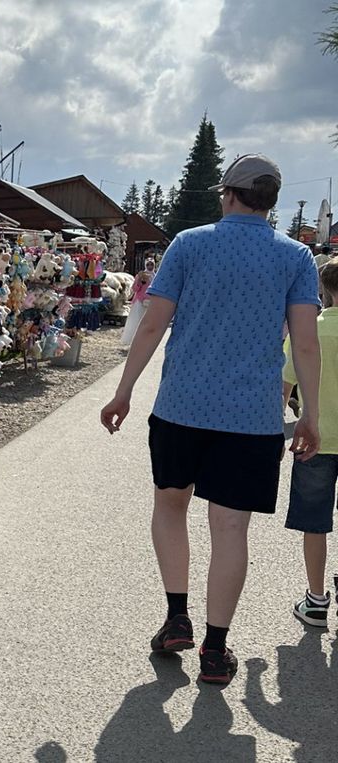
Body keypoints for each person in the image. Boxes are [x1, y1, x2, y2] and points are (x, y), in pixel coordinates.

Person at [100, 153, 322, 686]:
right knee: (230, 529)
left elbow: (153, 326)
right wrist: (310, 415)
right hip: (252, 419)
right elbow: (306, 345)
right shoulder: (295, 258)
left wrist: (124, 390)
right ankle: (216, 650)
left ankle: (177, 616)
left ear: (227, 194)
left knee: (170, 504)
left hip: (182, 408)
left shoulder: (189, 244)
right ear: (271, 200)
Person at [282, 261, 338, 628]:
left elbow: (283, 388)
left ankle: (316, 601)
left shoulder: (309, 331)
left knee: (315, 523)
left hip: (314, 437)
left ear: (325, 289)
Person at [120, 258, 156, 349]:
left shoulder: (156, 276)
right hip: (139, 301)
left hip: (150, 302)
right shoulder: (141, 275)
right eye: (148, 265)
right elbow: (135, 289)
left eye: (151, 264)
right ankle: (133, 341)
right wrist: (139, 281)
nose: (150, 267)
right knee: (136, 321)